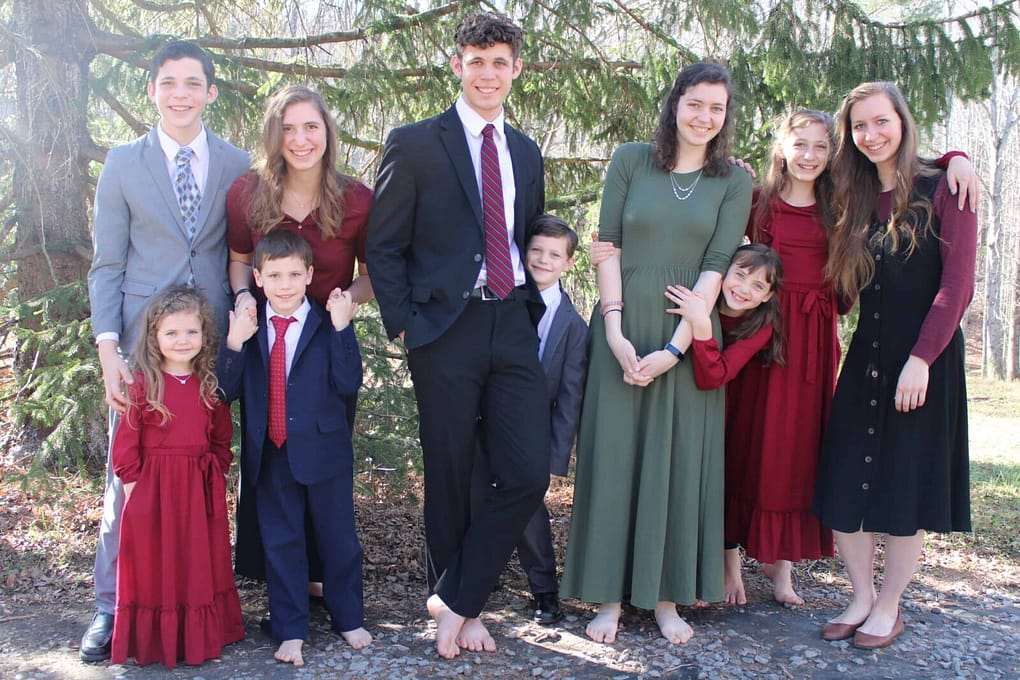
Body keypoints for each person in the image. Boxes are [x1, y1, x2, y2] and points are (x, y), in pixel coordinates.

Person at [365, 11, 551, 660]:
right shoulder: (416, 143)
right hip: (443, 329)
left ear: (516, 69)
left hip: (512, 322)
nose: (488, 73)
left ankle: (457, 595)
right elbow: (383, 246)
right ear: (457, 66)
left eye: (500, 61)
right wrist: (405, 326)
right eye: (476, 61)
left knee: (529, 468)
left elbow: (524, 236)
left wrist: (534, 307)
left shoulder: (525, 152)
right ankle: (460, 606)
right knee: (449, 471)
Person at [560, 62, 753, 646]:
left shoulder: (733, 181)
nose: (704, 117)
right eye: (695, 104)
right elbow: (606, 245)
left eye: (716, 108)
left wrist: (677, 347)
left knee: (676, 462)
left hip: (687, 330)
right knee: (615, 458)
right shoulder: (630, 160)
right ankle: (610, 600)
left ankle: (667, 598)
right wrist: (615, 332)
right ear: (675, 105)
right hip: (621, 318)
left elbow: (718, 265)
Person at [84, 40, 250, 662]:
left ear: (210, 91)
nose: (179, 93)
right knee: (126, 479)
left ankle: (202, 602)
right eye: (167, 82)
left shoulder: (237, 164)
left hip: (208, 345)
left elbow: (241, 252)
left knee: (204, 474)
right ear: (151, 91)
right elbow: (107, 265)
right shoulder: (123, 165)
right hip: (140, 347)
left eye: (192, 83)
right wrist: (108, 348)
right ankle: (111, 605)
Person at [812, 81, 976, 650]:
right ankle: (859, 596)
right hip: (868, 357)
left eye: (881, 121)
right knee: (842, 479)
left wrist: (922, 360)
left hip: (924, 360)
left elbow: (957, 286)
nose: (871, 134)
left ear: (902, 121)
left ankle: (889, 606)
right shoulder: (853, 197)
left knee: (906, 483)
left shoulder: (943, 187)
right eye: (859, 126)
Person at [225, 84, 374, 595]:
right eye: (288, 128)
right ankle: (279, 575)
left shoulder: (356, 199)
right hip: (268, 345)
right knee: (272, 459)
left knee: (322, 456)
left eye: (311, 126)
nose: (300, 138)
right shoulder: (247, 192)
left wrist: (347, 302)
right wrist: (244, 298)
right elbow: (240, 261)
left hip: (325, 345)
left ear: (327, 133)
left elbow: (370, 274)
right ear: (274, 135)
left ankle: (323, 576)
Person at [218, 230, 372, 666]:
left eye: (292, 274)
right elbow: (225, 390)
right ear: (258, 278)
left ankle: (348, 617)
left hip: (325, 454)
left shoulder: (327, 325)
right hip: (271, 454)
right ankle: (289, 629)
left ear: (309, 275)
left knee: (338, 539)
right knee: (281, 541)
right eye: (274, 275)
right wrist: (234, 341)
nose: (284, 284)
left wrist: (343, 328)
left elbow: (348, 382)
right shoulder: (250, 330)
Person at [109, 286, 244, 668]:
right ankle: (158, 640)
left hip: (198, 488)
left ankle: (197, 635)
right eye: (171, 333)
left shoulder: (208, 384)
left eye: (191, 332)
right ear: (154, 337)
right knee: (157, 563)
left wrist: (215, 470)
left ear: (205, 336)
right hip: (154, 492)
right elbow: (127, 444)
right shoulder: (143, 385)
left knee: (196, 561)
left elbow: (220, 437)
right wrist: (137, 489)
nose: (182, 341)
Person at [472, 215, 588, 625]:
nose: (543, 259)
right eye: (536, 250)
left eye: (554, 254)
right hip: (486, 419)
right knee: (477, 499)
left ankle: (544, 590)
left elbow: (570, 395)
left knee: (528, 507)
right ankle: (476, 584)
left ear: (569, 262)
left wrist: (556, 457)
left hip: (534, 431)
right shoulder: (501, 299)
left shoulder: (573, 325)